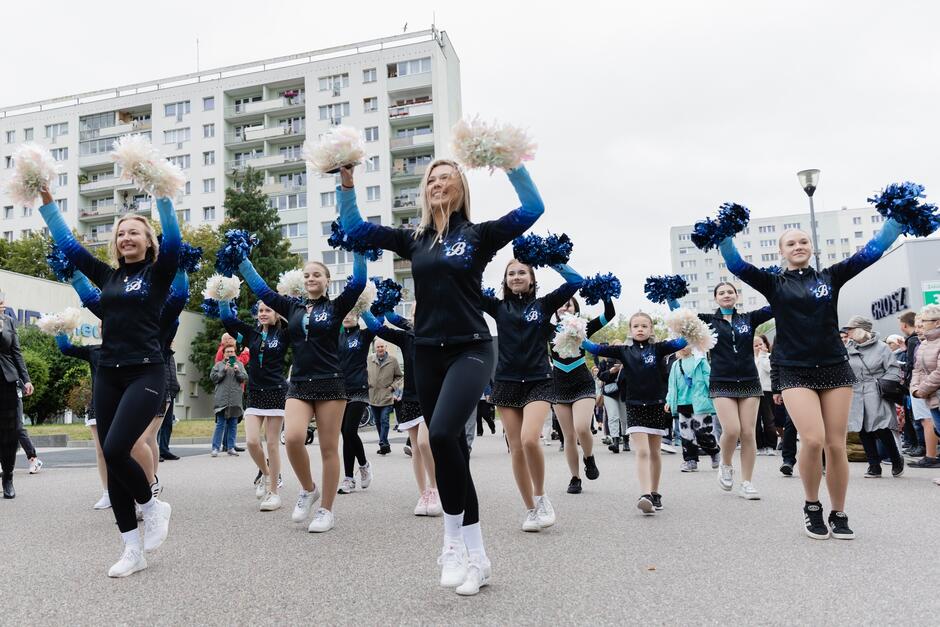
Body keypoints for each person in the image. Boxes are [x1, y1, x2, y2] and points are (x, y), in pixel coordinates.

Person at [338, 157, 545, 596]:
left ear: (461, 187)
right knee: (450, 451)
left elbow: (532, 208)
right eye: (431, 178)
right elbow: (355, 228)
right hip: (427, 352)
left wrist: (510, 163)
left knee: (444, 434)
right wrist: (347, 180)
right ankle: (478, 558)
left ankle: (451, 542)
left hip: (472, 347)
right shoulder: (414, 240)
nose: (437, 182)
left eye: (445, 177)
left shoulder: (479, 234)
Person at [717, 215, 915, 540]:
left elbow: (868, 253)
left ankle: (838, 511)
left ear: (811, 248)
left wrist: (894, 222)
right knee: (812, 439)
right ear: (782, 251)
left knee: (836, 445)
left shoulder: (830, 276)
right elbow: (737, 265)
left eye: (803, 242)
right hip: (794, 369)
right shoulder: (774, 284)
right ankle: (811, 505)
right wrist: (724, 237)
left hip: (835, 366)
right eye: (791, 243)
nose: (798, 246)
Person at [38, 186, 179, 576]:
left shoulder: (159, 273)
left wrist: (163, 194)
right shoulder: (108, 276)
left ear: (148, 241)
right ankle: (132, 548)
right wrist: (47, 203)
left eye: (134, 232)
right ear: (115, 244)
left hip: (146, 371)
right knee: (112, 459)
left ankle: (152, 506)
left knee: (118, 448)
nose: (126, 238)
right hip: (109, 373)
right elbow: (70, 247)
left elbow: (176, 241)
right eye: (120, 233)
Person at [238, 252, 366, 533]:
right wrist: (243, 262)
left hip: (331, 382)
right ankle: (309, 489)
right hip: (299, 383)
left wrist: (358, 251)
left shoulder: (335, 307)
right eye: (306, 274)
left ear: (327, 281)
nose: (310, 278)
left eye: (316, 274)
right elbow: (262, 290)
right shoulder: (292, 308)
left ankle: (326, 510)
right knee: (294, 438)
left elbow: (357, 285)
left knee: (329, 448)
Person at [481, 259, 582, 530]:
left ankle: (541, 496)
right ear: (504, 280)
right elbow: (466, 287)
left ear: (532, 278)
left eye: (522, 272)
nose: (516, 277)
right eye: (511, 273)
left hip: (538, 379)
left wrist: (552, 258)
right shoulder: (498, 306)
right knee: (515, 448)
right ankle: (530, 510)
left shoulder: (544, 305)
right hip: (506, 381)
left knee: (529, 440)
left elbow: (575, 281)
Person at [583, 312, 688, 514]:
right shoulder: (623, 351)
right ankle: (645, 494)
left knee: (655, 452)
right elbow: (594, 348)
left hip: (656, 404)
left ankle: (655, 493)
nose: (640, 329)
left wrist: (688, 324)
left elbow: (682, 342)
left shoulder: (660, 348)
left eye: (644, 326)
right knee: (642, 451)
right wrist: (577, 334)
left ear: (651, 330)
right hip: (634, 405)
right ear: (630, 330)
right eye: (636, 326)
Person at [362, 307, 442, 515]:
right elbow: (378, 325)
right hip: (411, 397)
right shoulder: (407, 336)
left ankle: (434, 489)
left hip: (433, 397)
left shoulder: (441, 333)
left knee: (425, 443)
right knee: (416, 447)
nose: (419, 314)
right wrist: (363, 305)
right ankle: (423, 493)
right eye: (415, 312)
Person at [697, 283, 773, 500]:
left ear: (736, 296)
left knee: (748, 432)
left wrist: (775, 285)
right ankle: (726, 464)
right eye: (721, 293)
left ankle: (747, 482)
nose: (726, 295)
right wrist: (672, 298)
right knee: (732, 429)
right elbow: (682, 319)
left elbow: (774, 307)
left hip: (749, 379)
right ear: (716, 298)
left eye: (730, 292)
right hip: (722, 380)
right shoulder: (707, 320)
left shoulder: (748, 319)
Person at [219, 299, 289, 510]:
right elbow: (229, 321)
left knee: (273, 443)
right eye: (260, 310)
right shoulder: (252, 333)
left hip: (276, 391)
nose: (263, 313)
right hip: (255, 392)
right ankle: (267, 475)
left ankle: (274, 492)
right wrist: (223, 296)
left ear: (277, 315)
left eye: (268, 310)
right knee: (251, 442)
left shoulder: (285, 334)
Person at [551, 295, 614, 494]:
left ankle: (589, 457)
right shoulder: (547, 329)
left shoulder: (583, 326)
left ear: (575, 308)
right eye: (560, 304)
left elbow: (609, 314)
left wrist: (606, 296)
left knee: (582, 428)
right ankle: (575, 477)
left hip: (582, 383)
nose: (564, 306)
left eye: (568, 303)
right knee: (568, 436)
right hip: (558, 384)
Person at [843, 315, 904, 478]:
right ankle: (874, 466)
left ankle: (896, 459)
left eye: (851, 329)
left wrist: (882, 383)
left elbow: (893, 369)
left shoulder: (882, 347)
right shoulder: (848, 348)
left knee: (880, 427)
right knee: (862, 429)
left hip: (875, 390)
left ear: (862, 330)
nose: (848, 332)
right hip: (855, 392)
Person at [335, 310, 375, 493]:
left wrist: (365, 307)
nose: (347, 316)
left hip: (359, 389)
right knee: (345, 433)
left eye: (352, 313)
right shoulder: (338, 337)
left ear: (357, 316)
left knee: (349, 431)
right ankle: (349, 478)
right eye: (345, 313)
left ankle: (364, 465)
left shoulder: (364, 335)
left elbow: (377, 324)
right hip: (341, 390)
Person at [666, 346, 720, 472]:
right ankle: (690, 460)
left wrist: (715, 395)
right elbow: (672, 386)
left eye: (687, 344)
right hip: (682, 403)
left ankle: (714, 451)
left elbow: (709, 378)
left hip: (700, 403)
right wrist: (669, 400)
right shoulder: (675, 365)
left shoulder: (700, 361)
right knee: (686, 435)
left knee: (703, 432)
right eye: (681, 345)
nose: (683, 348)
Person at [0, 300, 33, 499]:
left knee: (10, 433)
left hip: (7, 381)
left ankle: (8, 478)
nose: (2, 302)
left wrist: (26, 379)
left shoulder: (9, 321)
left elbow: (16, 352)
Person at [910, 304, 940, 470]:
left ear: (937, 323)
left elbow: (939, 372)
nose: (922, 324)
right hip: (931, 396)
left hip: (933, 392)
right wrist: (915, 388)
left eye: (925, 321)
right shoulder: (923, 344)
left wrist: (922, 390)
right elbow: (917, 369)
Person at [214, 333, 249, 452]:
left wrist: (238, 371)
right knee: (222, 422)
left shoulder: (237, 362)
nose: (233, 339)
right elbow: (215, 377)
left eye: (232, 352)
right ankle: (220, 446)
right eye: (231, 338)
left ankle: (230, 445)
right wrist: (246, 352)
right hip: (224, 396)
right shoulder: (221, 357)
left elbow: (244, 376)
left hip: (235, 395)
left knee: (233, 422)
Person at [367, 338, 402, 455]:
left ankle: (382, 443)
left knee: (384, 421)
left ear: (385, 347)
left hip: (387, 396)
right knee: (377, 422)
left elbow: (399, 377)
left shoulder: (393, 361)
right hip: (373, 396)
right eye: (378, 347)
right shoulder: (369, 360)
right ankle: (385, 444)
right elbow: (364, 374)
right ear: (374, 348)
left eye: (382, 346)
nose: (380, 349)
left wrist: (392, 387)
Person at [897, 311, 924, 456]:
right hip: (917, 383)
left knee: (918, 418)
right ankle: (917, 445)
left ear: (904, 325)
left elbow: (912, 364)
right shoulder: (912, 341)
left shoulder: (913, 340)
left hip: (915, 384)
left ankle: (920, 446)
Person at [597, 347, 629, 452]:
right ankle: (615, 442)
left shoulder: (627, 359)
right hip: (609, 392)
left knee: (624, 418)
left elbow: (633, 376)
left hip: (623, 392)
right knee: (613, 417)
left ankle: (626, 441)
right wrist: (610, 371)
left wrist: (623, 369)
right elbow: (600, 376)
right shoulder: (605, 362)